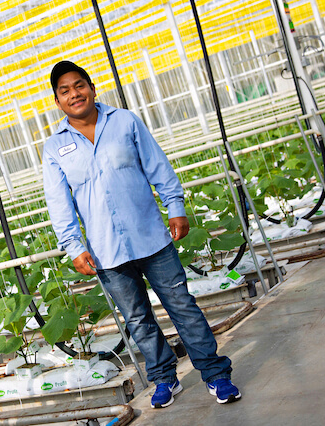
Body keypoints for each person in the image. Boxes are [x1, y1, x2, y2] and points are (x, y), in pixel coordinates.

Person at [42, 60, 241, 408]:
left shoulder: (124, 121)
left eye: (79, 85)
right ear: (58, 101)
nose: (74, 94)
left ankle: (215, 374)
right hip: (106, 250)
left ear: (91, 88)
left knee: (182, 305)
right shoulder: (54, 147)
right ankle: (164, 378)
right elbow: (59, 203)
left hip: (151, 236)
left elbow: (157, 165)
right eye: (65, 91)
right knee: (137, 318)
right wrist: (74, 246)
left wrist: (175, 206)